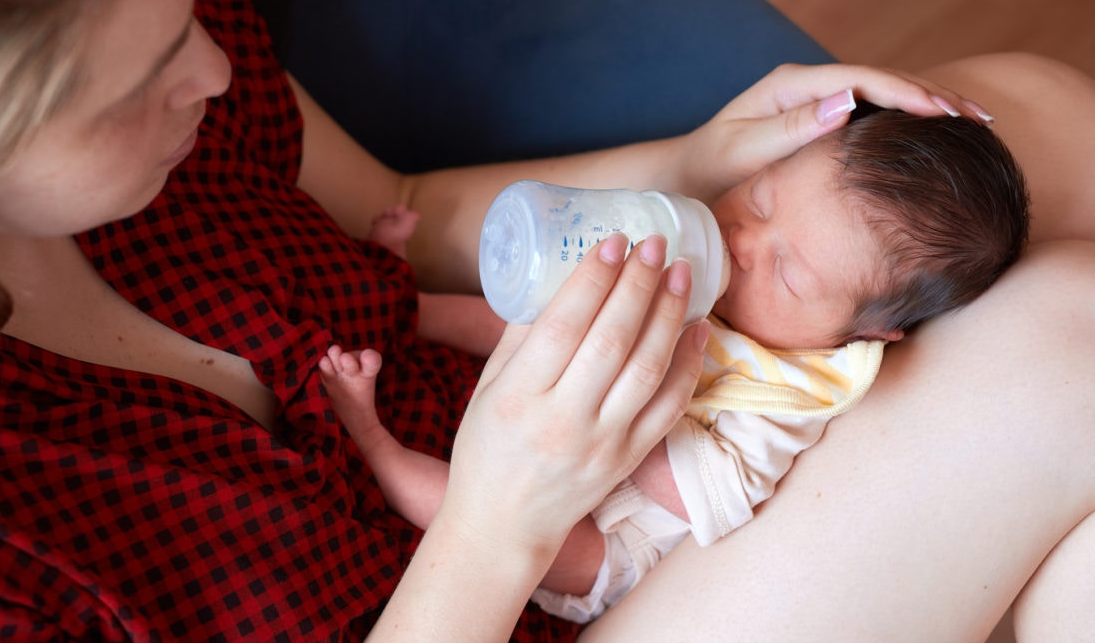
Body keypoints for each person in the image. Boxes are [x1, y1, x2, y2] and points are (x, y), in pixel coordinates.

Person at [0, 0, 1093, 642]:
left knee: (1039, 114)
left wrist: (700, 166)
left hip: (549, 472)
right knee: (1070, 341)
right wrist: (498, 525)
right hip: (497, 586)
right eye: (140, 78)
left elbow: (401, 203)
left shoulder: (189, 89)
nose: (212, 68)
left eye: (186, 9)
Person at [319, 107, 1030, 622]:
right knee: (549, 318)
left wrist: (639, 397)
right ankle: (405, 301)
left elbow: (711, 497)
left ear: (869, 332)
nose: (744, 240)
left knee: (507, 519)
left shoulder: (791, 392)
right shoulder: (699, 259)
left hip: (605, 539)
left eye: (788, 276)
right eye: (760, 197)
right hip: (549, 422)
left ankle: (372, 439)